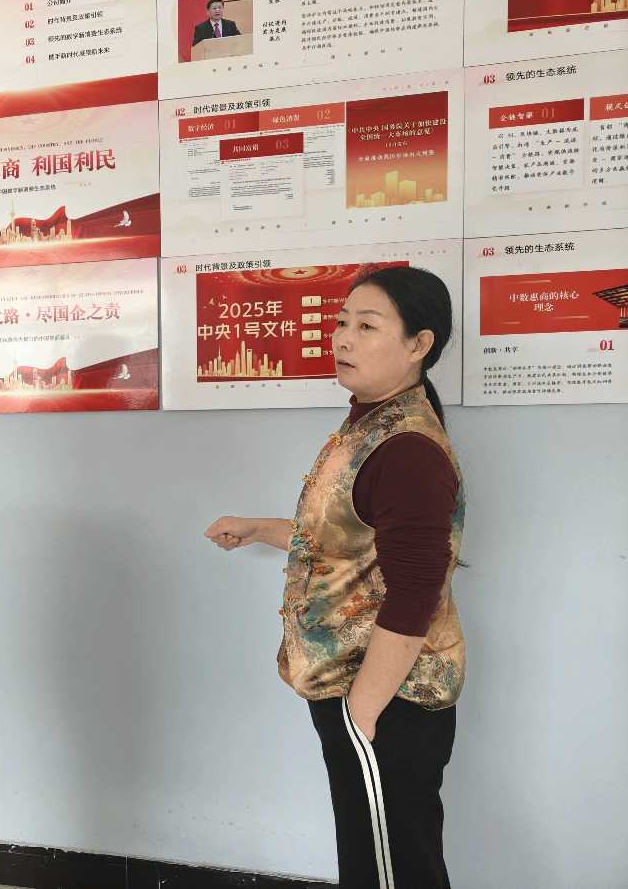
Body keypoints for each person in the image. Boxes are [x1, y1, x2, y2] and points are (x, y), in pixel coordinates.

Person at [204, 266, 464, 889]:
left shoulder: (407, 449)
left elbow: (413, 597)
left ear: (419, 344)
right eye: (342, 322)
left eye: (367, 326)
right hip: (360, 691)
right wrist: (260, 528)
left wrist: (363, 714)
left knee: (393, 871)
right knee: (377, 862)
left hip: (386, 698)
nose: (343, 338)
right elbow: (348, 538)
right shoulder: (372, 423)